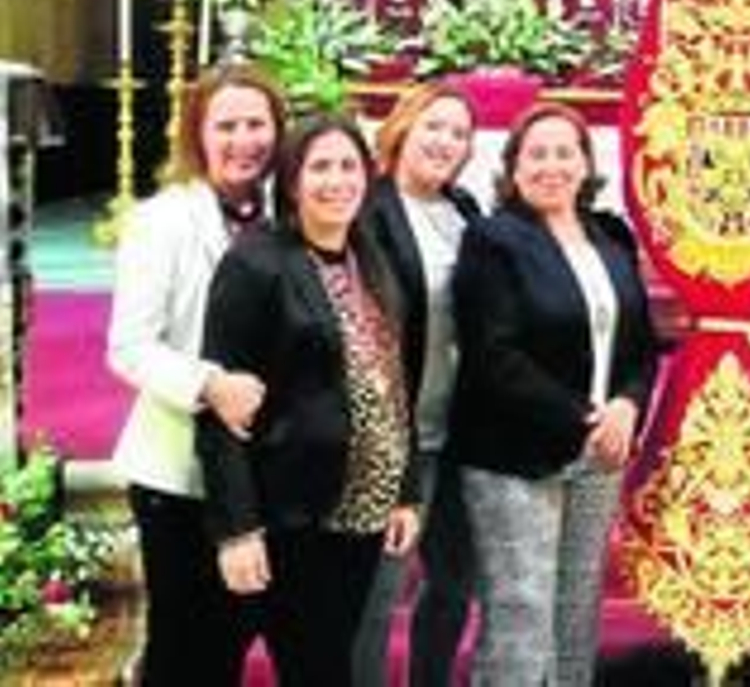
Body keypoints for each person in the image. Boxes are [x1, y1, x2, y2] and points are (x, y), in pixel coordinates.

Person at [196, 115, 421, 686]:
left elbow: (394, 381)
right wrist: (238, 529)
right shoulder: (257, 263)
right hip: (296, 513)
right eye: (320, 166)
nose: (337, 180)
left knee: (330, 661)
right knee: (313, 669)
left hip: (364, 513)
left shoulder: (370, 258)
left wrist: (405, 490)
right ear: (292, 181)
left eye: (349, 166)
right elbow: (221, 410)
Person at [449, 101, 660, 685]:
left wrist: (627, 404)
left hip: (601, 453)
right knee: (522, 613)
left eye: (564, 152)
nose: (551, 166)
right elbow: (494, 355)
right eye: (536, 154)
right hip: (515, 453)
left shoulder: (611, 238)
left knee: (575, 611)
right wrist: (585, 418)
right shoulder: (493, 240)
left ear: (585, 164)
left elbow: (641, 346)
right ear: (513, 168)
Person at [106, 64, 286, 685]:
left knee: (233, 636)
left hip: (262, 470)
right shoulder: (163, 221)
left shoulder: (288, 215)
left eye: (257, 124)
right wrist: (209, 384)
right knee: (187, 643)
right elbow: (129, 346)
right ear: (197, 135)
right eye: (226, 125)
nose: (244, 140)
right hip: (178, 467)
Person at [352, 83, 481, 687]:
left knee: (454, 583)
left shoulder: (466, 211)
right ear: (404, 127)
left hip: (459, 432)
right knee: (377, 596)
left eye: (459, 133)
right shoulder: (367, 210)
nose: (445, 142)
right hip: (391, 436)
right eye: (435, 126)